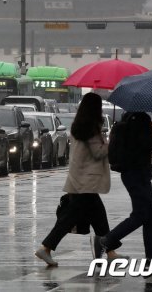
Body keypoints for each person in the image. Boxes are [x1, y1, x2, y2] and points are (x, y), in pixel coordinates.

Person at [35, 93, 123, 266]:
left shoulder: (79, 126)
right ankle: (45, 248)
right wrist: (111, 141)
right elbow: (98, 152)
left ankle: (111, 252)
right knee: (74, 219)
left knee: (95, 219)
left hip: (79, 179)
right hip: (86, 183)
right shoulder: (91, 129)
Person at [99, 112, 152, 267]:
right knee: (142, 214)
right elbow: (147, 144)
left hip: (130, 174)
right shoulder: (142, 120)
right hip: (139, 175)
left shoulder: (127, 119)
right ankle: (108, 240)